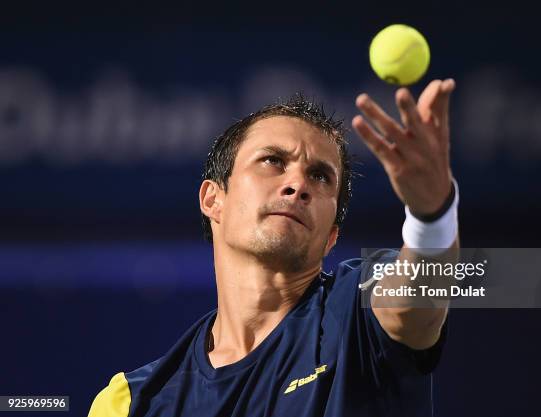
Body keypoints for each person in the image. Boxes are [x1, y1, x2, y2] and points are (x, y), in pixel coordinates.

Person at [88, 78, 460, 417]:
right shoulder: (134, 403)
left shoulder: (358, 309)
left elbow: (418, 303)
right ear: (213, 199)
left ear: (332, 235)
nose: (298, 184)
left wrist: (432, 215)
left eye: (319, 176)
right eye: (272, 161)